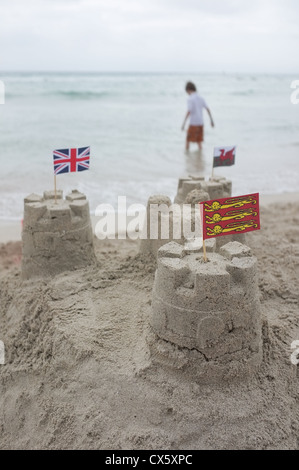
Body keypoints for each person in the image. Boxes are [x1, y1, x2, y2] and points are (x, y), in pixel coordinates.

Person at [181, 81, 214, 151]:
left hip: (193, 123)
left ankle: (187, 158)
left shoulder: (190, 99)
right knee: (199, 142)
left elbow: (189, 111)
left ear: (188, 89)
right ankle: (200, 158)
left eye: (187, 91)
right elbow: (208, 109)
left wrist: (183, 123)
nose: (187, 93)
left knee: (188, 140)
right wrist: (211, 121)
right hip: (201, 123)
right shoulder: (201, 98)